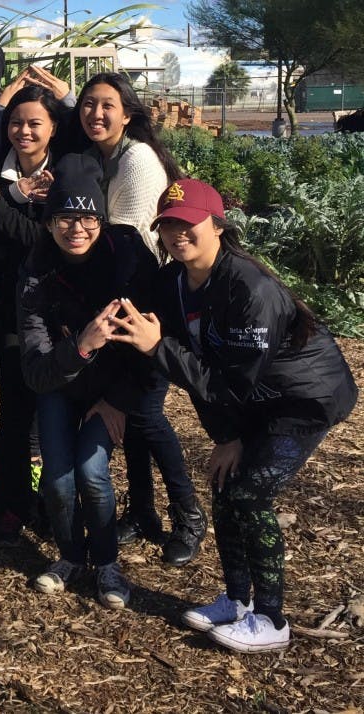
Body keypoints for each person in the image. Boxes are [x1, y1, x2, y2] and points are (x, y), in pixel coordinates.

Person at [112, 178, 358, 652]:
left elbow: (224, 382)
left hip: (303, 400)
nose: (177, 233)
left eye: (189, 224)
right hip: (252, 398)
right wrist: (227, 437)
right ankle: (235, 600)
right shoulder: (174, 283)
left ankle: (271, 620)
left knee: (248, 495)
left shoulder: (251, 288)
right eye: (167, 225)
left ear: (218, 226)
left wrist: (157, 348)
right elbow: (206, 372)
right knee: (225, 487)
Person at [18, 153, 159, 609]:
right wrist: (81, 346)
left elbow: (151, 350)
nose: (76, 229)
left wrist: (118, 400)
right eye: (63, 217)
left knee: (93, 474)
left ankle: (107, 563)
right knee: (58, 480)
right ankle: (70, 556)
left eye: (87, 218)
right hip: (60, 382)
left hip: (111, 390)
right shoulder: (36, 272)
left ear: (101, 219)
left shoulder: (126, 260)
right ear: (48, 221)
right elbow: (35, 370)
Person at [74, 71, 203, 566]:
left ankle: (188, 515)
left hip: (146, 304)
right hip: (123, 301)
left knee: (146, 413)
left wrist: (119, 320)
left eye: (107, 105)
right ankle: (146, 511)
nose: (95, 115)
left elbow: (128, 252)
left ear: (128, 113)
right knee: (135, 415)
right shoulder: (107, 156)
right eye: (87, 105)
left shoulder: (137, 160)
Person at [0, 85, 65, 541]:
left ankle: (23, 501)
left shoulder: (64, 178)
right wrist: (11, 200)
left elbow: (43, 242)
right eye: (16, 122)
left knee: (23, 407)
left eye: (35, 123)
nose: (23, 131)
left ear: (53, 129)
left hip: (44, 312)